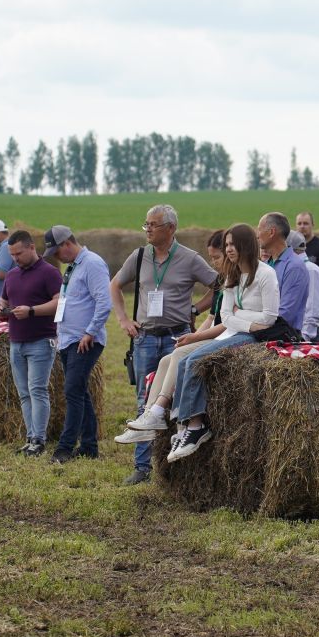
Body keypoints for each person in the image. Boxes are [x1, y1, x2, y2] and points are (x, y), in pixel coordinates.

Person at [112, 204, 218, 484]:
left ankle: (174, 469)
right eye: (145, 224)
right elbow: (115, 285)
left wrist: (196, 309)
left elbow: (219, 285)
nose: (147, 229)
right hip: (144, 337)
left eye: (153, 225)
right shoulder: (138, 257)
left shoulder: (190, 258)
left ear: (170, 228)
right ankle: (142, 467)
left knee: (178, 398)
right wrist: (124, 319)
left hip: (177, 336)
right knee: (144, 402)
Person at [164, 224, 277, 462]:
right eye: (226, 245)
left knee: (196, 361)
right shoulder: (231, 276)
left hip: (253, 337)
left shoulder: (266, 274)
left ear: (246, 245)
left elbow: (269, 318)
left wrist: (240, 317)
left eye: (233, 244)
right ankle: (183, 427)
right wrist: (243, 317)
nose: (229, 249)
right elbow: (225, 317)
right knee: (185, 361)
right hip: (235, 332)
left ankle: (197, 427)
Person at [120, 230, 233, 447]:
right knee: (166, 362)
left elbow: (227, 322)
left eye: (216, 257)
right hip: (152, 335)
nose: (213, 263)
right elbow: (212, 317)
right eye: (212, 257)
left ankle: (184, 425)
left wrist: (193, 336)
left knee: (180, 357)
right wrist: (195, 335)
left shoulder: (230, 282)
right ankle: (151, 416)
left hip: (226, 337)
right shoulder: (140, 255)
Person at [39, 225, 110, 463]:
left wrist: (90, 332)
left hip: (85, 340)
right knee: (80, 392)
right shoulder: (72, 267)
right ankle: (89, 446)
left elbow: (104, 301)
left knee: (72, 391)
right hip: (69, 339)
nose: (56, 258)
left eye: (57, 252)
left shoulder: (92, 264)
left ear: (67, 244)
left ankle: (64, 448)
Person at [0, 229, 61, 457]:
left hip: (41, 341)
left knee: (37, 390)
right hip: (16, 341)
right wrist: (0, 309)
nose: (15, 259)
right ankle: (30, 437)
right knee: (24, 393)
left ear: (32, 247)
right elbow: (4, 300)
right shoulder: (12, 275)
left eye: (19, 253)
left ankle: (39, 440)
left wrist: (32, 311)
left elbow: (59, 303)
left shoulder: (50, 273)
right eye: (12, 254)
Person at [258, 211, 310, 337]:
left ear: (271, 232)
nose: (257, 235)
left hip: (280, 337)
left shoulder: (294, 267)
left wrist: (247, 322)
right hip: (261, 331)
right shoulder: (266, 264)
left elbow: (285, 315)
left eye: (259, 230)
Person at [287, 230, 319, 343]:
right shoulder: (295, 268)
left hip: (308, 337)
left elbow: (313, 309)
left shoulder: (311, 270)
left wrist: (304, 337)